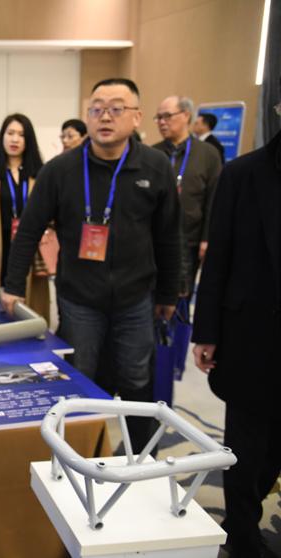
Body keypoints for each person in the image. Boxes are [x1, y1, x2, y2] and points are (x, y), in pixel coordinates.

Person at [1, 78, 182, 451]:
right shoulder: (60, 170)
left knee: (136, 378)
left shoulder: (155, 166)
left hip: (136, 298)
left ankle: (139, 458)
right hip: (79, 298)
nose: (105, 117)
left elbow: (168, 236)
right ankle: (76, 456)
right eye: (97, 109)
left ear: (136, 117)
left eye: (116, 108)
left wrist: (168, 293)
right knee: (79, 378)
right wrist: (13, 285)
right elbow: (28, 230)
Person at [191, 100, 281, 558]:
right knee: (247, 443)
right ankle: (243, 534)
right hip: (252, 335)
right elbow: (219, 258)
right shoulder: (244, 174)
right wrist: (205, 331)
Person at [0, 114, 49, 320]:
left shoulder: (41, 174)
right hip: (0, 245)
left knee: (31, 305)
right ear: (2, 137)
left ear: (29, 140)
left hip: (32, 247)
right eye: (10, 133)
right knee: (0, 307)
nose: (15, 139)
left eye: (21, 135)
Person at [152, 96, 222, 295]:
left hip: (189, 239)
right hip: (154, 238)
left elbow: (213, 200)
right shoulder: (152, 153)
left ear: (185, 115)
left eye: (167, 116)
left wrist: (207, 238)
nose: (162, 122)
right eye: (158, 117)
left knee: (181, 295)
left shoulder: (208, 154)